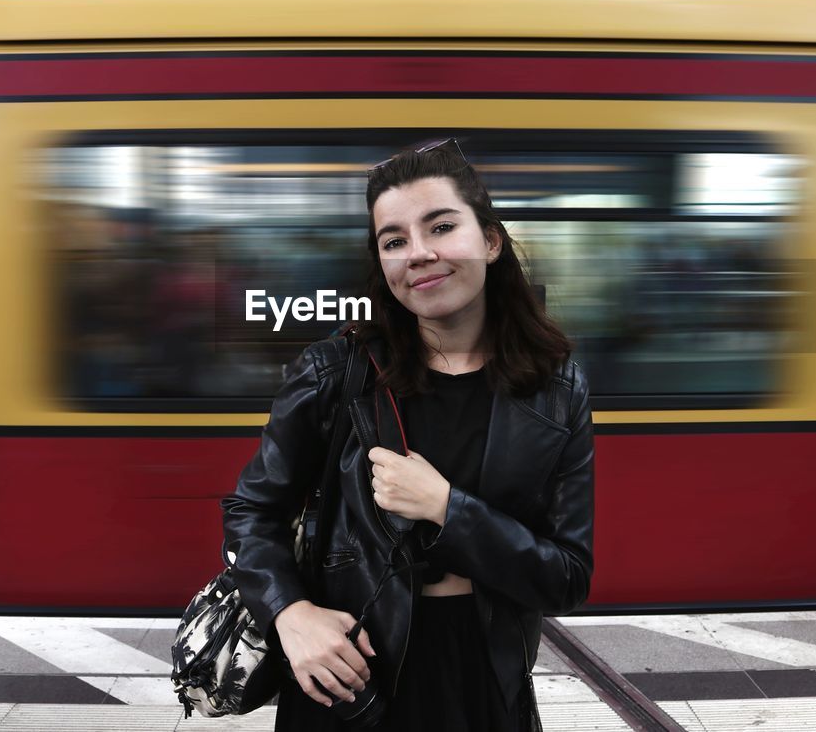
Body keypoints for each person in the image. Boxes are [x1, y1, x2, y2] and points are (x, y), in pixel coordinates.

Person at [222, 140, 595, 731]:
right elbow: (252, 511)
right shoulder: (333, 373)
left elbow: (567, 578)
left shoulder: (555, 389)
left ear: (491, 241)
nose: (418, 254)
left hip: (486, 684)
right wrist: (290, 614)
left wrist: (447, 509)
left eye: (441, 227)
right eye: (394, 240)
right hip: (350, 681)